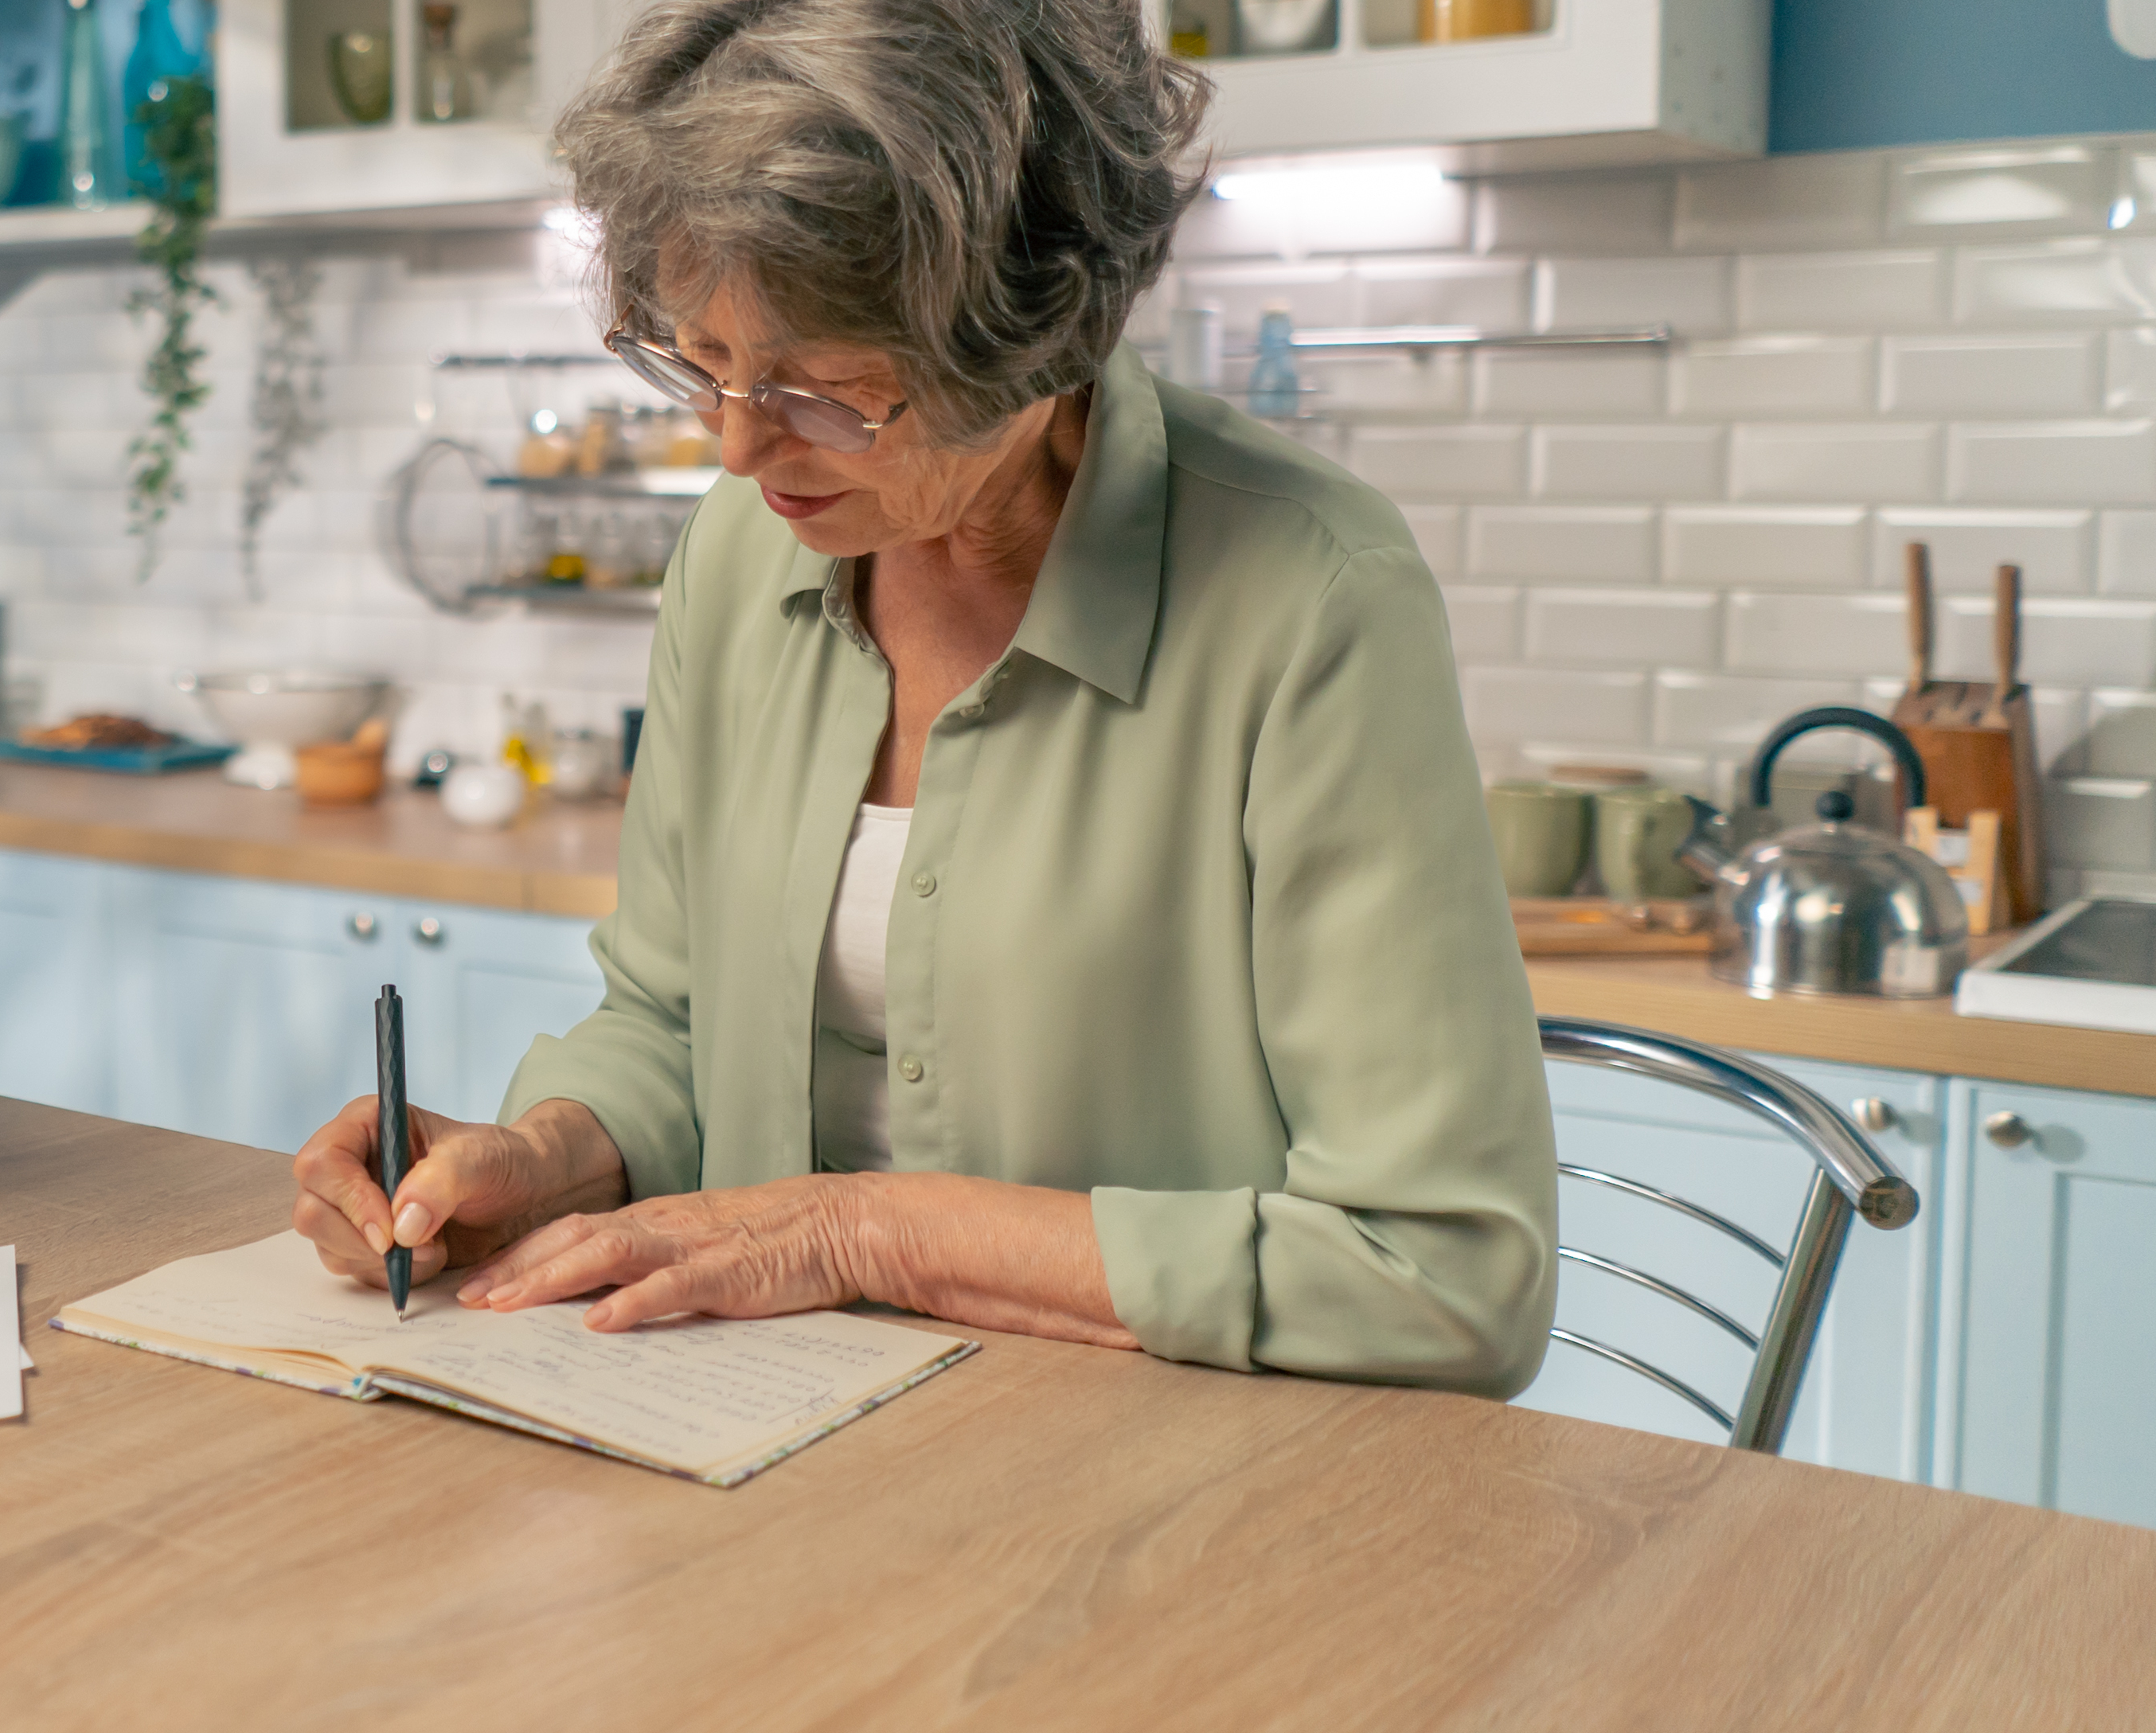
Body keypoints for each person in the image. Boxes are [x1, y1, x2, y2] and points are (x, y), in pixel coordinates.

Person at [291, 0, 1557, 1395]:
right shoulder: (739, 556)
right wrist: (544, 1157)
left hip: (1151, 1460)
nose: (735, 448)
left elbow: (1445, 1278)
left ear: (1029, 336)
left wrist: (859, 1230)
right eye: (700, 366)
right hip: (753, 1416)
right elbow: (671, 1018)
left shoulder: (1312, 597)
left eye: (823, 392)